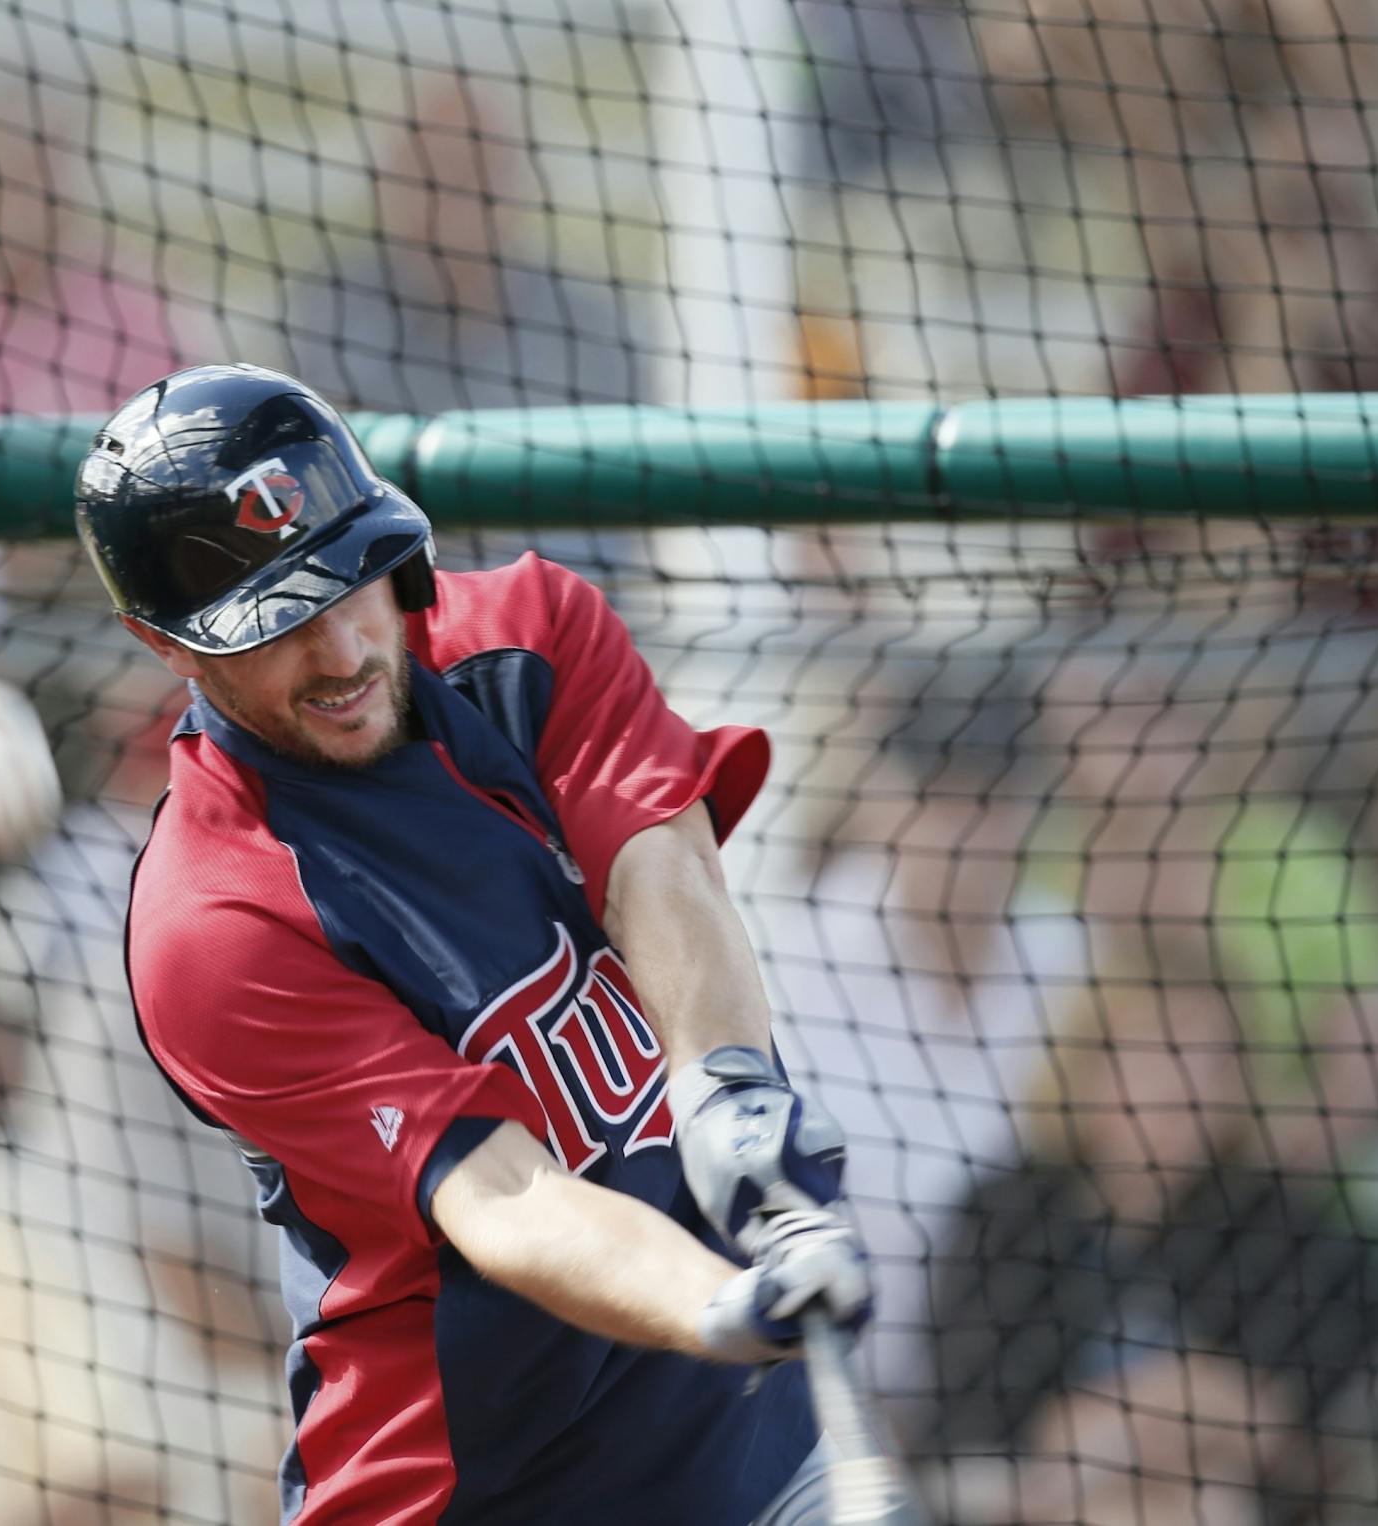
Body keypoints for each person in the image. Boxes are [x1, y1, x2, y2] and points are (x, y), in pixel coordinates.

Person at [72, 363, 872, 1526]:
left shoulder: (524, 635)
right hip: (477, 1490)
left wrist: (727, 1090)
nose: (344, 649)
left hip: (739, 1453)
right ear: (167, 645)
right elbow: (506, 1199)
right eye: (278, 625)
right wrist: (726, 1302)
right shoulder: (214, 922)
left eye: (353, 578)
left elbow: (661, 859)